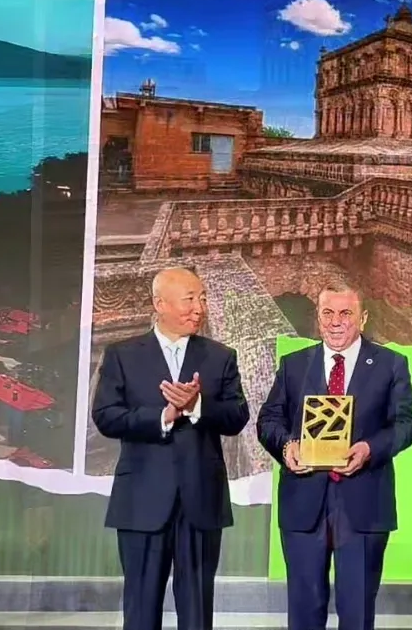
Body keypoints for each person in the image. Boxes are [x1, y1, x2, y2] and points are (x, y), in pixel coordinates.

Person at [92, 266, 250, 630]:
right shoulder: (122, 355)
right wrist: (162, 416)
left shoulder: (220, 356)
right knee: (141, 609)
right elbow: (106, 416)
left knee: (197, 611)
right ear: (159, 303)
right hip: (142, 500)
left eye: (203, 299)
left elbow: (237, 416)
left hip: (201, 500)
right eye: (190, 299)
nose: (199, 308)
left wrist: (196, 406)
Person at [256, 282, 412, 630]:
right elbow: (269, 420)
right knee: (304, 611)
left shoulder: (391, 364)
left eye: (345, 313)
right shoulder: (294, 365)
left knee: (356, 611)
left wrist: (370, 449)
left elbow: (407, 424)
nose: (335, 322)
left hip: (363, 504)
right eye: (327, 313)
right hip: (304, 502)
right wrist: (286, 447)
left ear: (363, 318)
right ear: (317, 317)